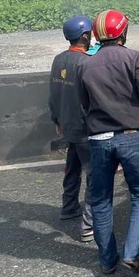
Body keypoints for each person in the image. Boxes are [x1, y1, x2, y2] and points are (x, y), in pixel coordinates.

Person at [78, 9, 139, 274]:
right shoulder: (135, 58)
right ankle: (131, 252)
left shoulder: (85, 65)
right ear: (123, 31)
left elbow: (84, 104)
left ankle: (107, 260)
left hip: (98, 139)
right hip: (131, 136)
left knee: (101, 200)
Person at [49, 16, 95, 242]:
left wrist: (57, 120)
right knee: (95, 176)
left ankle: (69, 207)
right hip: (85, 127)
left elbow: (54, 94)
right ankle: (89, 226)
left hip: (67, 124)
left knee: (73, 166)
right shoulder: (86, 63)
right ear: (85, 36)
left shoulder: (58, 60)